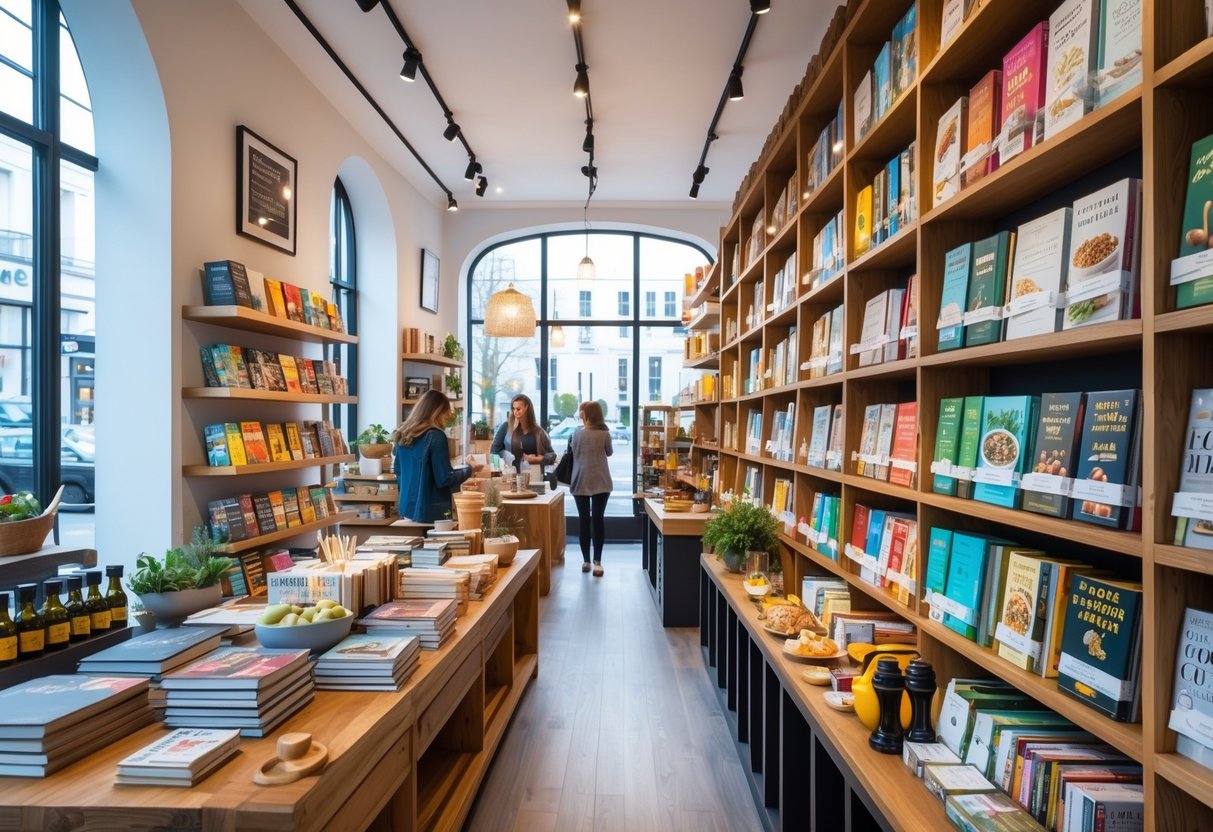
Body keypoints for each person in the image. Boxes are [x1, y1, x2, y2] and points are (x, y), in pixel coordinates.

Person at [392, 389, 482, 523]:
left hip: (407, 510)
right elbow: (444, 479)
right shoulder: (436, 436)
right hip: (430, 513)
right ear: (438, 412)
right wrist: (470, 469)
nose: (449, 416)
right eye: (447, 412)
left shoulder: (403, 434)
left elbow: (398, 471)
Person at [568, 400, 613, 576]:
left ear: (586, 415)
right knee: (598, 520)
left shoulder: (575, 435)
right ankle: (598, 562)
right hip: (601, 481)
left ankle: (585, 561)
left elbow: (573, 453)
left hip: (580, 480)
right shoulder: (605, 434)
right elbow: (609, 452)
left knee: (584, 521)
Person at [490, 394, 555, 475]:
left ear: (527, 407)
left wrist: (538, 459)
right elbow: (494, 452)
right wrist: (496, 472)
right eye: (513, 409)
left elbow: (552, 455)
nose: (515, 412)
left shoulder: (538, 431)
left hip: (534, 476)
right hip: (510, 476)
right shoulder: (506, 427)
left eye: (518, 409)